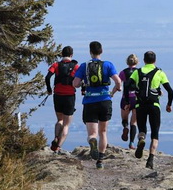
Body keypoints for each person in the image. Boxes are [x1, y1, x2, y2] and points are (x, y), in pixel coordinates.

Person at [72, 41, 122, 169]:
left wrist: (81, 82)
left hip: (90, 101)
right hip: (105, 100)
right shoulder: (108, 65)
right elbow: (118, 81)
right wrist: (114, 91)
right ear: (102, 51)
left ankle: (92, 141)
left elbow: (75, 84)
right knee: (103, 132)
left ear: (90, 52)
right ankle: (100, 160)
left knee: (92, 133)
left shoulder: (84, 66)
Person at [126, 50, 173, 169]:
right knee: (155, 133)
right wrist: (169, 104)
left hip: (140, 105)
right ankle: (150, 159)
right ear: (155, 61)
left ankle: (141, 139)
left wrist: (128, 102)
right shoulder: (159, 72)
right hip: (154, 106)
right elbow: (170, 90)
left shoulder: (138, 72)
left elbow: (127, 85)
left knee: (142, 128)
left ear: (144, 60)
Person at [45, 46, 79, 154]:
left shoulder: (56, 65)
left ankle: (56, 137)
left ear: (61, 54)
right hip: (69, 96)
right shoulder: (75, 66)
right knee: (66, 124)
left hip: (57, 95)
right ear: (71, 55)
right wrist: (83, 89)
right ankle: (58, 146)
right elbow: (81, 79)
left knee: (59, 120)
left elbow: (47, 77)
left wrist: (49, 89)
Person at [118, 54, 139, 150]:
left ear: (127, 62)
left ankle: (125, 127)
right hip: (136, 98)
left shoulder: (123, 72)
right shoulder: (139, 72)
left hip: (125, 98)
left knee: (124, 118)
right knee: (134, 122)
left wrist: (113, 92)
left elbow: (118, 83)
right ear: (137, 62)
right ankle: (131, 143)